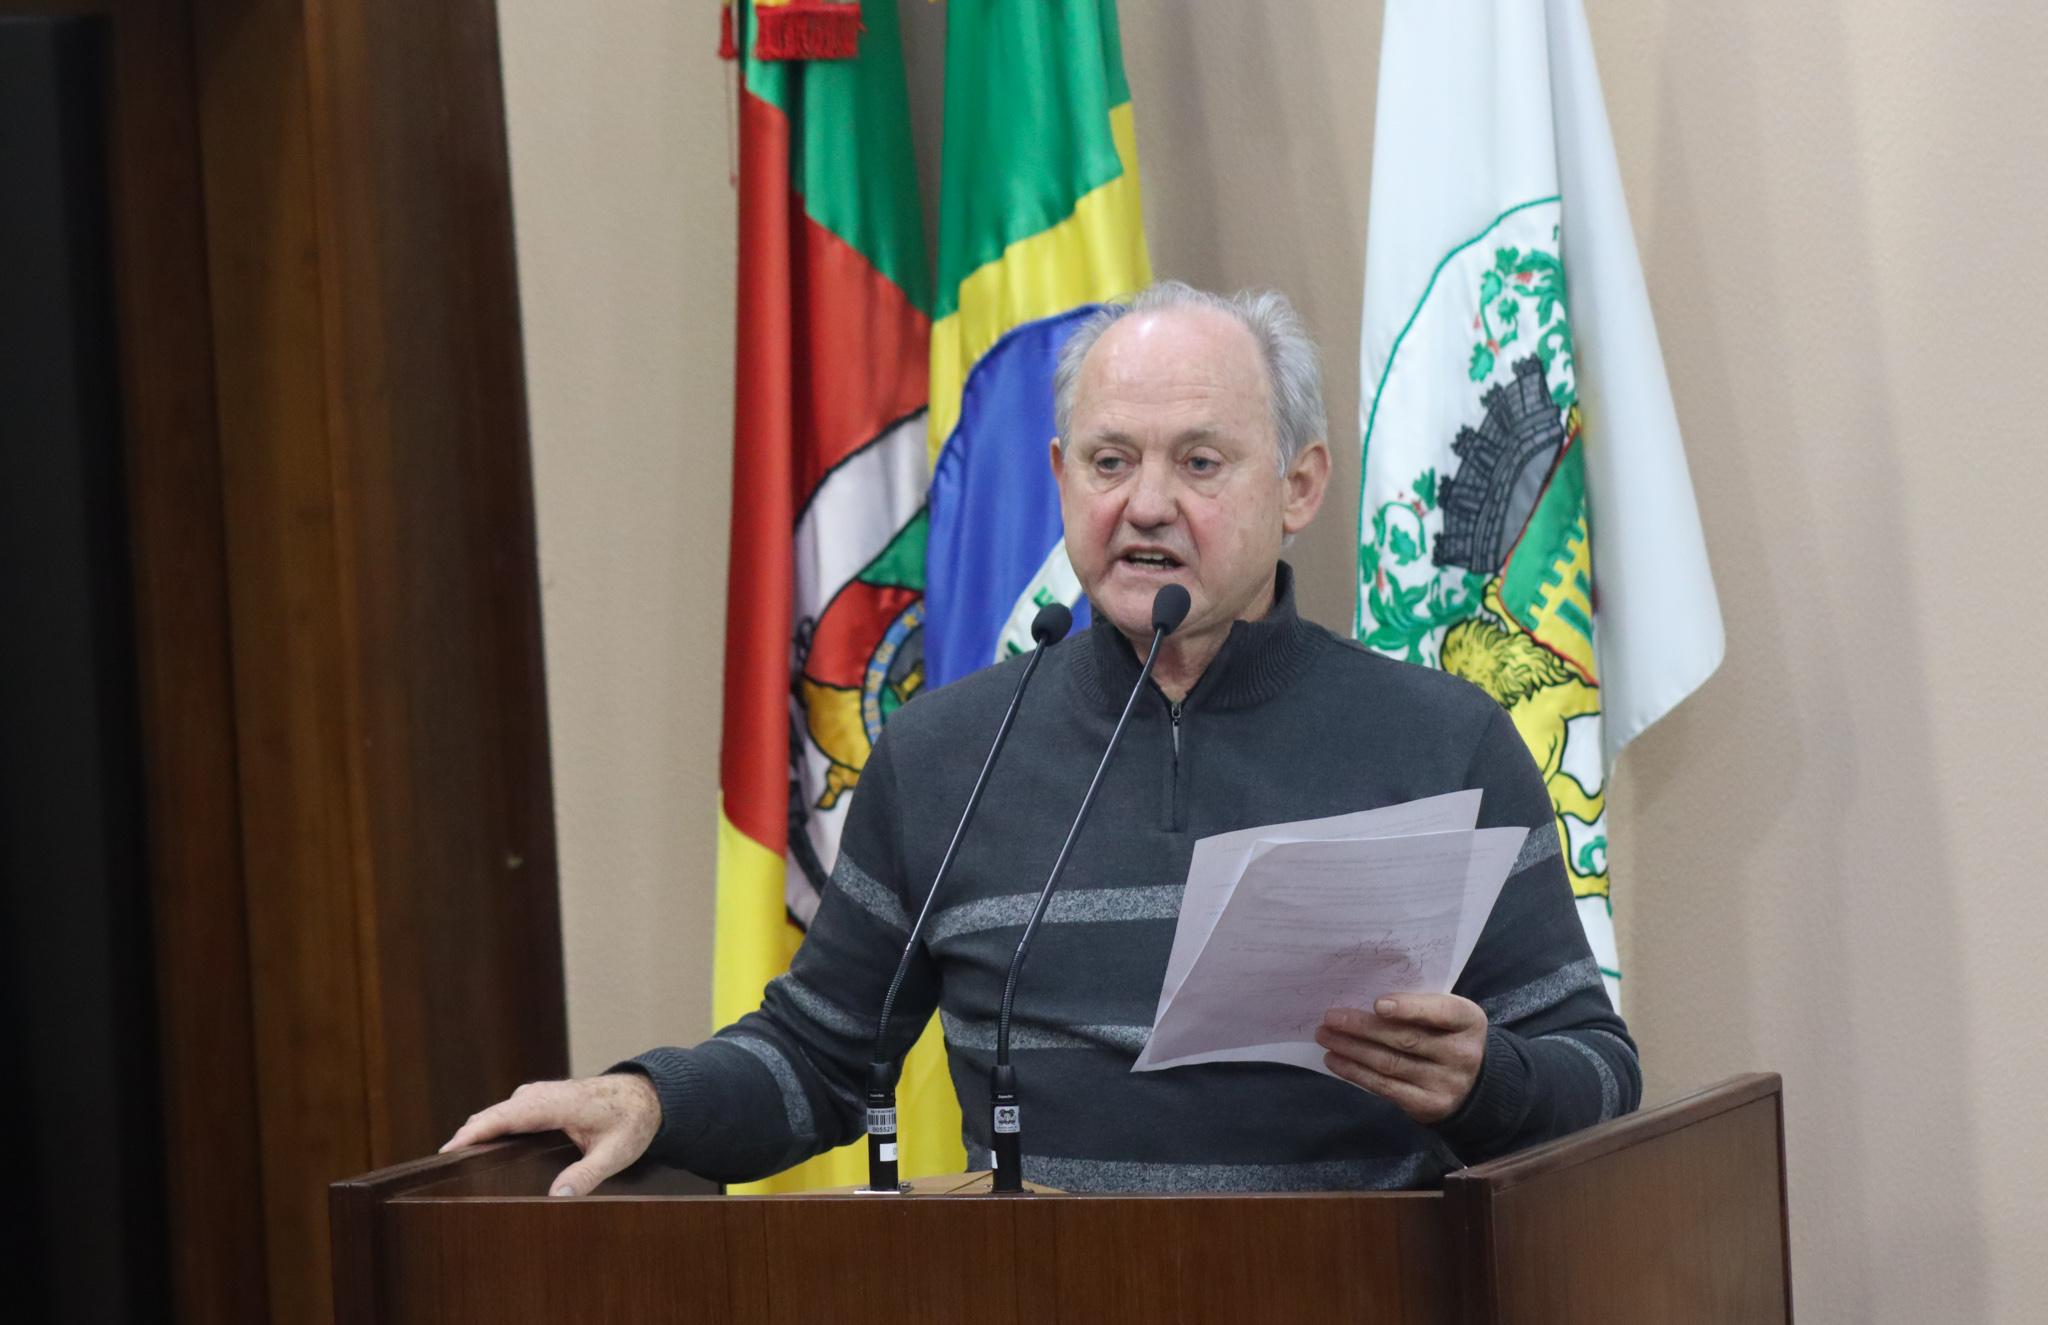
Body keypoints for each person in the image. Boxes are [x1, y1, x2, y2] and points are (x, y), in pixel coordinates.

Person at [444, 281, 1640, 1196]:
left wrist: (1487, 1081)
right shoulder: (947, 755)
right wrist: (650, 1094)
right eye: (1110, 462)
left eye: (1200, 461)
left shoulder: (1439, 741)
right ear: (1062, 478)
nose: (1147, 503)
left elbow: (1595, 1071)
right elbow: (817, 1057)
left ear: (1301, 485)